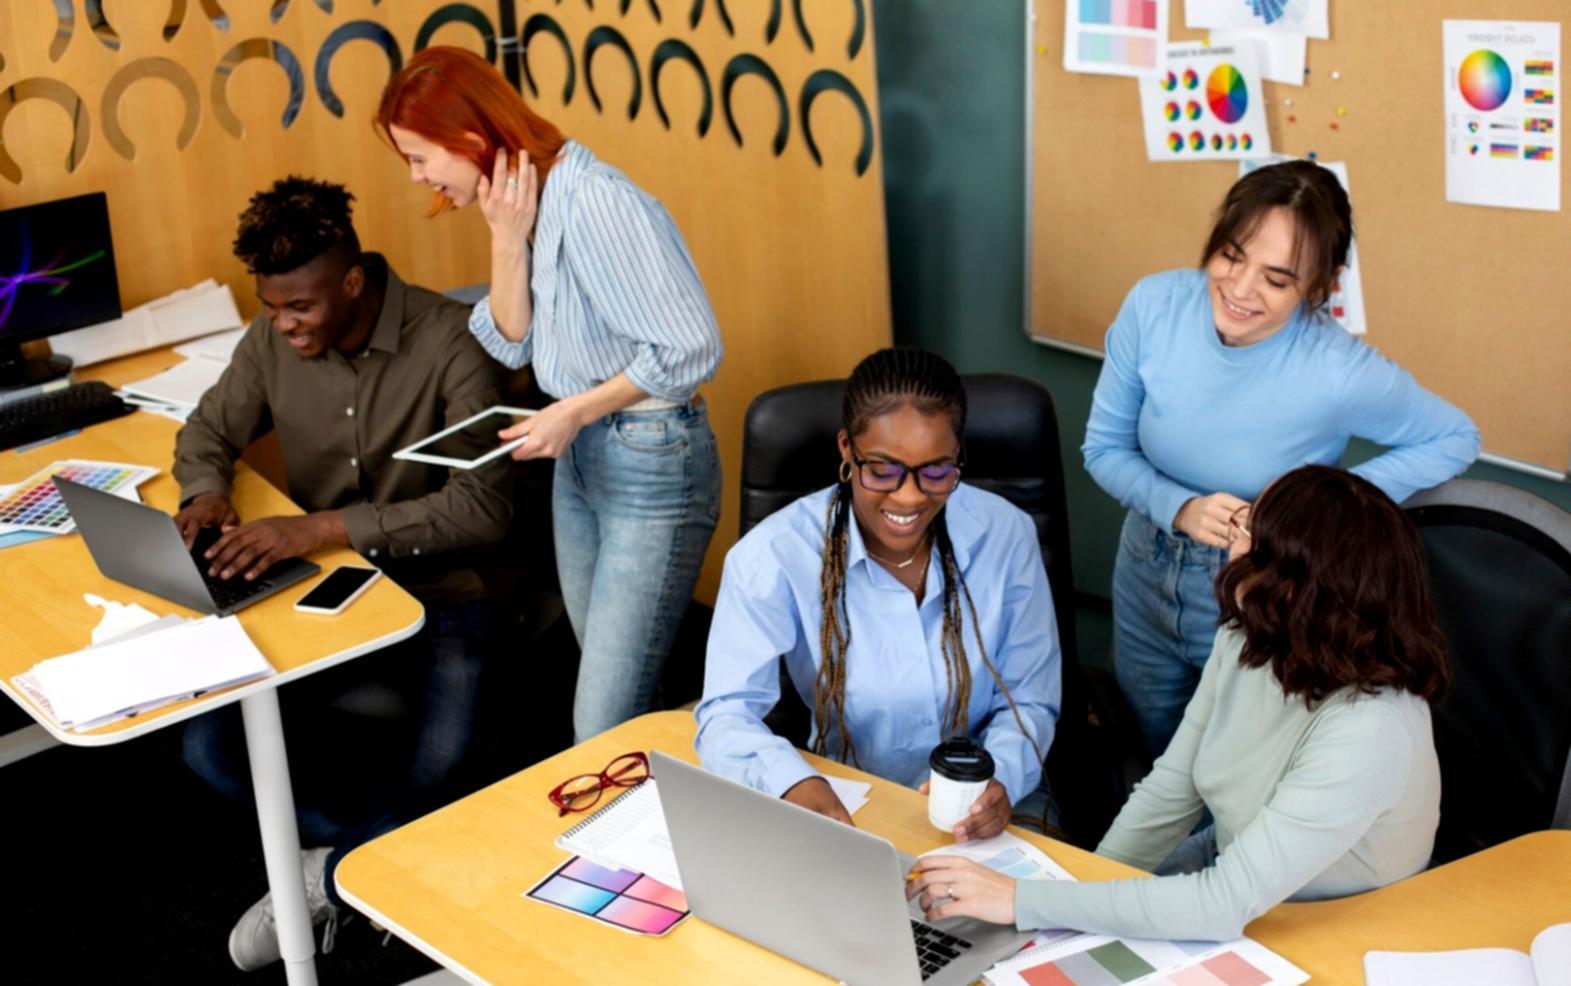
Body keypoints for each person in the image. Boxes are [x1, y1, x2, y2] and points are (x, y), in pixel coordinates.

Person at [173, 176, 513, 971]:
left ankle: (327, 880)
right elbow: (206, 428)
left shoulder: (449, 343)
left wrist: (322, 527)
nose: (285, 328)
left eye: (301, 309)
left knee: (441, 772)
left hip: (448, 599)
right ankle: (370, 855)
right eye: (272, 310)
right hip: (325, 590)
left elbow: (486, 508)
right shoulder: (272, 338)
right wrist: (206, 490)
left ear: (352, 281)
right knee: (207, 749)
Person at [908, 465, 1447, 941]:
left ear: (1295, 590)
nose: (1229, 547)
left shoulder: (1373, 727)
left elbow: (1222, 903)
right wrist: (1069, 904)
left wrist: (1021, 902)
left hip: (1333, 927)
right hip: (1235, 876)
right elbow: (1172, 789)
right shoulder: (1250, 636)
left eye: (1247, 538)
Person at [375, 46, 723, 744]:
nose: (417, 177)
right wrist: (505, 240)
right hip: (585, 458)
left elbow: (693, 348)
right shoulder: (522, 202)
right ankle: (671, 825)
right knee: (618, 691)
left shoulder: (597, 203)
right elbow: (509, 342)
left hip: (650, 462)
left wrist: (575, 409)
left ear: (469, 141)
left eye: (419, 158)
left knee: (600, 721)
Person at [1083, 160, 1479, 757]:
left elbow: (1455, 436)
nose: (1240, 290)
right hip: (1145, 563)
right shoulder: (1154, 305)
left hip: (1259, 588)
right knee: (1143, 756)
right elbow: (1104, 448)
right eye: (1232, 256)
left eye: (1277, 279)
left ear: (1320, 286)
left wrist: (1312, 505)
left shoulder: (1338, 371)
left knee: (1227, 773)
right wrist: (1181, 507)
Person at [694, 348, 1060, 839]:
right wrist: (789, 783)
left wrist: (1002, 779)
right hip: (849, 803)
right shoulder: (774, 556)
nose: (909, 497)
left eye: (937, 471)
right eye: (883, 470)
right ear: (847, 449)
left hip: (986, 803)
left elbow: (1031, 700)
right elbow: (725, 712)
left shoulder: (1006, 535)